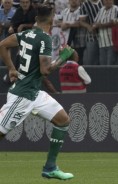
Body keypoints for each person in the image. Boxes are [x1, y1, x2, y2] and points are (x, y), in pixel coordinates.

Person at [0, 5, 74, 180]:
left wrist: (12, 69)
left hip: (35, 93)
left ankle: (50, 167)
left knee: (63, 120)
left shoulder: (26, 34)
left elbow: (3, 44)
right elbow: (45, 70)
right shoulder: (44, 39)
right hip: (23, 95)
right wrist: (63, 58)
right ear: (52, 19)